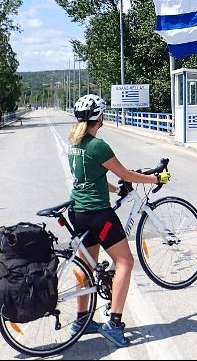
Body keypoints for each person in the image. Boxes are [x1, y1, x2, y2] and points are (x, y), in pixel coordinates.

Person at [65, 93, 163, 347]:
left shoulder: (74, 145)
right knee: (125, 262)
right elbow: (125, 173)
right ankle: (114, 324)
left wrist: (116, 190)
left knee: (88, 266)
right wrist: (156, 180)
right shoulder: (98, 146)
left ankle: (81, 320)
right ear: (100, 118)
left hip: (78, 212)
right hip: (99, 215)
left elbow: (90, 180)